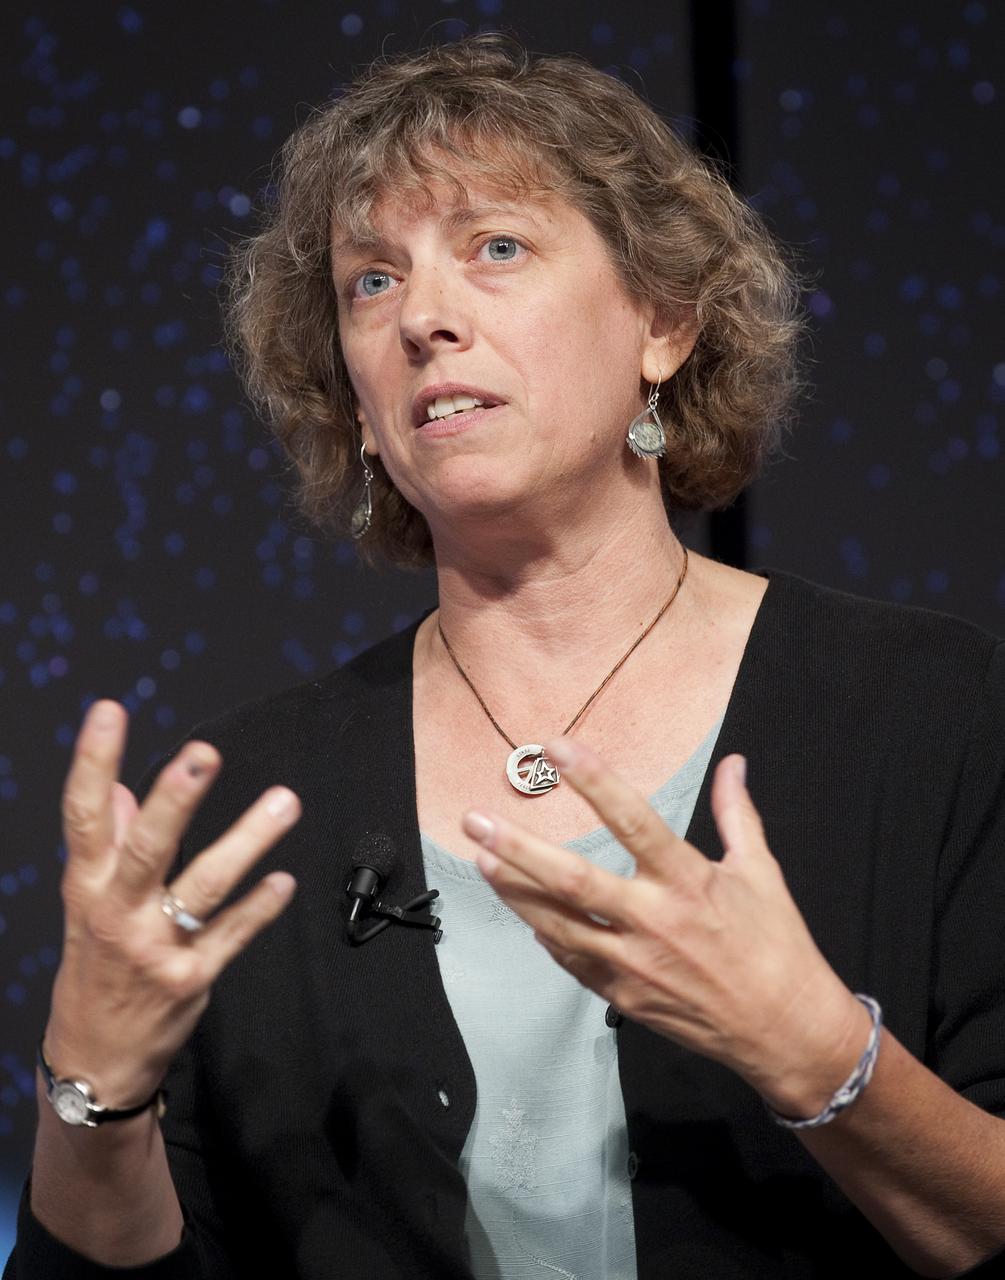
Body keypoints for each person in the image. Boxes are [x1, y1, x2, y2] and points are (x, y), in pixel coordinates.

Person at [6, 33, 1005, 1280]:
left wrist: (823, 1061)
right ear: (358, 406)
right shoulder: (267, 802)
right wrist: (89, 1090)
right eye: (371, 282)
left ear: (664, 321)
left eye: (497, 248)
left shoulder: (930, 711)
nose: (423, 317)